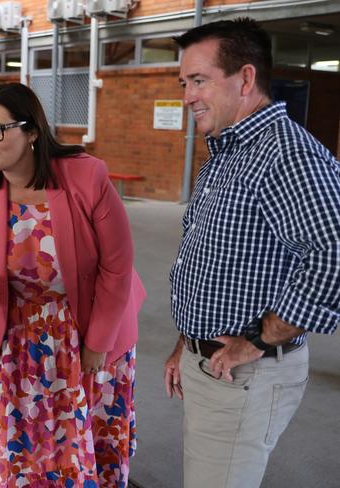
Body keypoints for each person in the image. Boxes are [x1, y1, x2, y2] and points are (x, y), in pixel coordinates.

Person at [163, 18, 340, 488]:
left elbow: (332, 256)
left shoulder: (285, 154)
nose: (187, 97)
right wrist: (186, 342)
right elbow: (211, 259)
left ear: (245, 78)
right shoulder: (227, 152)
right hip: (211, 364)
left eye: (198, 81)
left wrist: (260, 340)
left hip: (245, 373)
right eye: (184, 83)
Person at [0, 82, 146, 487]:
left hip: (89, 332)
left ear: (33, 131)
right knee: (27, 448)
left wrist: (98, 343)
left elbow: (117, 267)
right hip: (19, 339)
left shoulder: (85, 176)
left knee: (85, 445)